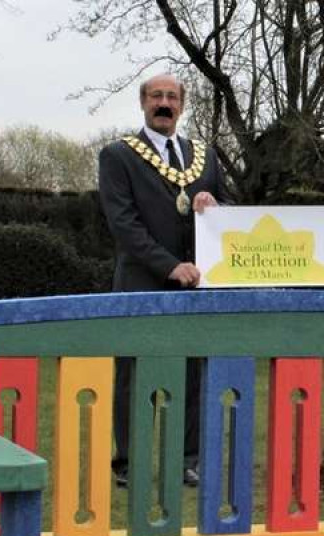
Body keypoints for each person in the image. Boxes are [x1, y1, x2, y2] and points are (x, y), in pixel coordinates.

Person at [98, 73, 231, 487]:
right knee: (134, 375)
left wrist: (216, 203)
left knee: (193, 374)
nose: (164, 103)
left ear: (182, 106)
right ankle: (129, 464)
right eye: (156, 96)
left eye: (172, 97)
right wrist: (169, 265)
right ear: (143, 102)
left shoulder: (204, 156)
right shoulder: (118, 155)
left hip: (196, 285)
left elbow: (231, 209)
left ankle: (188, 460)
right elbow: (124, 225)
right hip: (141, 282)